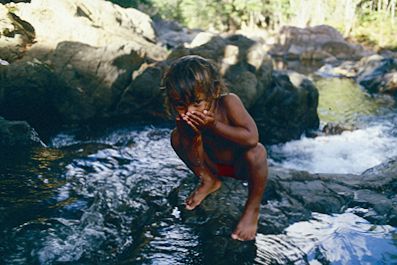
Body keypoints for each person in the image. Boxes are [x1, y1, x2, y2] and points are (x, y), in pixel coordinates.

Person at [163, 55, 268, 241]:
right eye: (180, 105)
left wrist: (213, 126)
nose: (189, 111)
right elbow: (194, 154)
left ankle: (252, 209)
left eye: (197, 103)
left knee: (258, 152)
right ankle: (208, 180)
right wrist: (191, 136)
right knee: (176, 137)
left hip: (239, 167)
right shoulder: (186, 119)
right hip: (211, 166)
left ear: (215, 91)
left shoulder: (229, 103)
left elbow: (252, 138)